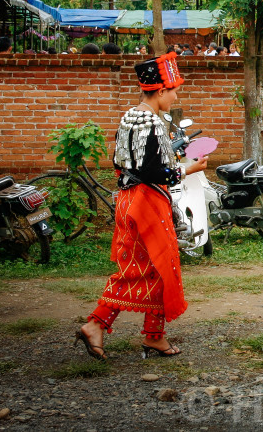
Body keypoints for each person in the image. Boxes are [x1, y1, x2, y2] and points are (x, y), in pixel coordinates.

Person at [76, 52, 206, 360]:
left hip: (128, 200)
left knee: (150, 269)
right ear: (160, 90)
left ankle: (153, 336)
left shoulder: (129, 116)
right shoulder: (154, 123)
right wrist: (189, 168)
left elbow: (120, 162)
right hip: (147, 202)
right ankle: (98, 323)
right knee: (150, 268)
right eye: (173, 91)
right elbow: (154, 171)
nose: (175, 97)